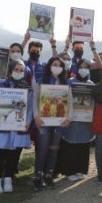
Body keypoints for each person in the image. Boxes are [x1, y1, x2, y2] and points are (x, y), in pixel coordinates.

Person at [0, 60, 33, 194]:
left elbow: (29, 108)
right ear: (10, 70)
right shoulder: (1, 85)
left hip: (18, 126)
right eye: (16, 69)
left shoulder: (28, 89)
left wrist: (28, 121)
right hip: (1, 125)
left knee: (14, 154)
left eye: (21, 70)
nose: (19, 72)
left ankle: (8, 179)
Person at [32, 57, 70, 191]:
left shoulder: (65, 83)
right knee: (42, 149)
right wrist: (36, 116)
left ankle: (49, 175)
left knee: (54, 149)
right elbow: (35, 100)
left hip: (59, 122)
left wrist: (68, 119)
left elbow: (69, 103)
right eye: (54, 64)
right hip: (43, 120)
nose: (57, 67)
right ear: (49, 66)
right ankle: (37, 176)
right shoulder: (41, 81)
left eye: (60, 65)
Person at [56, 59, 95, 182]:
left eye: (86, 67)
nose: (83, 69)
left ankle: (80, 170)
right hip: (71, 120)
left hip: (85, 121)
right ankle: (69, 171)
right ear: (77, 68)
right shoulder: (69, 82)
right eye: (81, 67)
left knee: (83, 145)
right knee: (70, 144)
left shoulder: (91, 84)